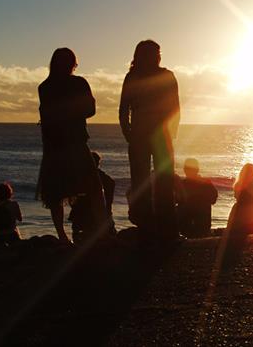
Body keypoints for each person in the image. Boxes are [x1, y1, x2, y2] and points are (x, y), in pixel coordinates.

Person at [37, 47, 108, 244]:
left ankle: (62, 236)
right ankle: (103, 231)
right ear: (72, 63)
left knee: (56, 193)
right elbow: (91, 109)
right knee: (94, 188)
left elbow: (47, 117)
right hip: (75, 141)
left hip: (54, 145)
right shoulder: (78, 83)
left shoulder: (45, 87)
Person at [119, 39, 181, 243]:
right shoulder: (137, 76)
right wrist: (129, 133)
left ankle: (160, 226)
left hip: (151, 134)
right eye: (155, 53)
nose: (158, 56)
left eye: (158, 53)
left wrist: (129, 132)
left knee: (155, 180)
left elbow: (174, 108)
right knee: (147, 181)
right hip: (149, 134)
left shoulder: (160, 75)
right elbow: (123, 109)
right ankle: (153, 226)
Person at [177, 158, 218, 238]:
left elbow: (177, 200)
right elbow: (213, 200)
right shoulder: (206, 184)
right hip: (201, 225)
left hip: (187, 226)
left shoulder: (182, 185)